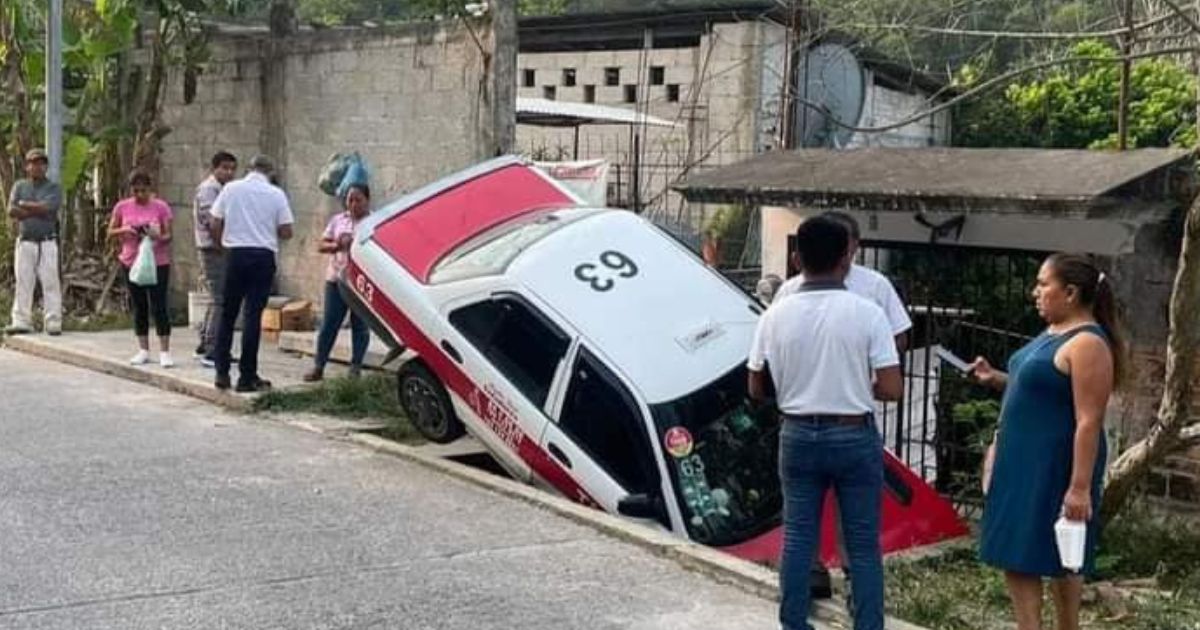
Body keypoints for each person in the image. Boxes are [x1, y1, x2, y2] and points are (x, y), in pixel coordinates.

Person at [747, 216, 903, 630]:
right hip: (853, 433)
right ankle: (867, 624)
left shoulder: (774, 315)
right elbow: (892, 388)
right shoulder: (867, 313)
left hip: (796, 433)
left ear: (797, 259)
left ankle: (794, 622)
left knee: (798, 535)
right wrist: (849, 383)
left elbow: (756, 387)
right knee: (862, 543)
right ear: (845, 258)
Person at [972, 253, 1123, 630]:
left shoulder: (1087, 343)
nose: (1035, 292)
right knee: (1022, 553)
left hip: (1053, 463)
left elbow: (1088, 419)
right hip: (1020, 459)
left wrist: (1079, 487)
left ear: (1070, 292)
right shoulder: (1053, 332)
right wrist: (997, 379)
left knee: (1052, 553)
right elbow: (1041, 389)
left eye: (1043, 284)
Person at [209, 154, 294, 392]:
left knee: (227, 315)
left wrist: (222, 246)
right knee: (252, 317)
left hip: (235, 255)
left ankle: (221, 373)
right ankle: (247, 377)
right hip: (262, 258)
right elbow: (287, 231)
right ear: (270, 173)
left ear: (249, 169)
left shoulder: (231, 189)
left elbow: (214, 223)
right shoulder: (276, 194)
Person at [774, 211, 912, 350]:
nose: (835, 245)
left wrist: (872, 360)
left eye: (841, 239)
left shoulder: (876, 284)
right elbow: (771, 340)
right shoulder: (789, 290)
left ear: (855, 244)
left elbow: (899, 335)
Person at [304, 184, 371, 382]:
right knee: (330, 324)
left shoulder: (374, 222)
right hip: (337, 279)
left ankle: (355, 367)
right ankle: (318, 366)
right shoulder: (338, 220)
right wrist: (337, 245)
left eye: (358, 199)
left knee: (360, 325)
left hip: (361, 281)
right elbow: (321, 245)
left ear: (367, 200)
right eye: (350, 200)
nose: (353, 204)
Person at [107, 171, 175, 367]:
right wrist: (125, 230)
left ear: (150, 190)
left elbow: (168, 234)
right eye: (136, 191)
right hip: (131, 261)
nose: (140, 195)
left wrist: (156, 235)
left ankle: (165, 350)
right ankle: (143, 348)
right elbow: (111, 231)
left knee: (159, 304)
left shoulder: (161, 207)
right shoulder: (122, 207)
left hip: (157, 261)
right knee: (139, 305)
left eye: (143, 190)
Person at [6, 148, 63, 336]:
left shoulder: (53, 187)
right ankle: (21, 320)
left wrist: (25, 205)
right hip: (25, 241)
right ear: (27, 166)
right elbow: (11, 210)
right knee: (23, 281)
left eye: (40, 163)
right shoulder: (20, 186)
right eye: (32, 163)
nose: (36, 167)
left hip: (47, 241)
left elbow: (49, 207)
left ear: (46, 166)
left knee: (50, 281)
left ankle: (53, 320)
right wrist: (37, 210)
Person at [193, 151, 238, 367]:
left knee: (216, 297)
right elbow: (212, 222)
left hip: (217, 248)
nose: (229, 172)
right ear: (214, 168)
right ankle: (212, 349)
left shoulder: (223, 189)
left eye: (232, 168)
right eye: (225, 168)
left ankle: (205, 341)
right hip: (213, 250)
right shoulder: (209, 189)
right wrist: (223, 246)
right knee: (220, 299)